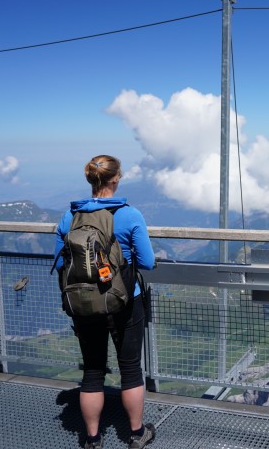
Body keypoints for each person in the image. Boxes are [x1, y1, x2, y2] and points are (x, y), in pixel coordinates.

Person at [54, 155, 157, 449]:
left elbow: (59, 261)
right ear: (116, 179)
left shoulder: (69, 216)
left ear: (91, 180)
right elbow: (147, 262)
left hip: (84, 304)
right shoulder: (129, 215)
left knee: (93, 370)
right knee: (130, 369)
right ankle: (137, 434)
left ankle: (92, 439)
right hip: (124, 301)